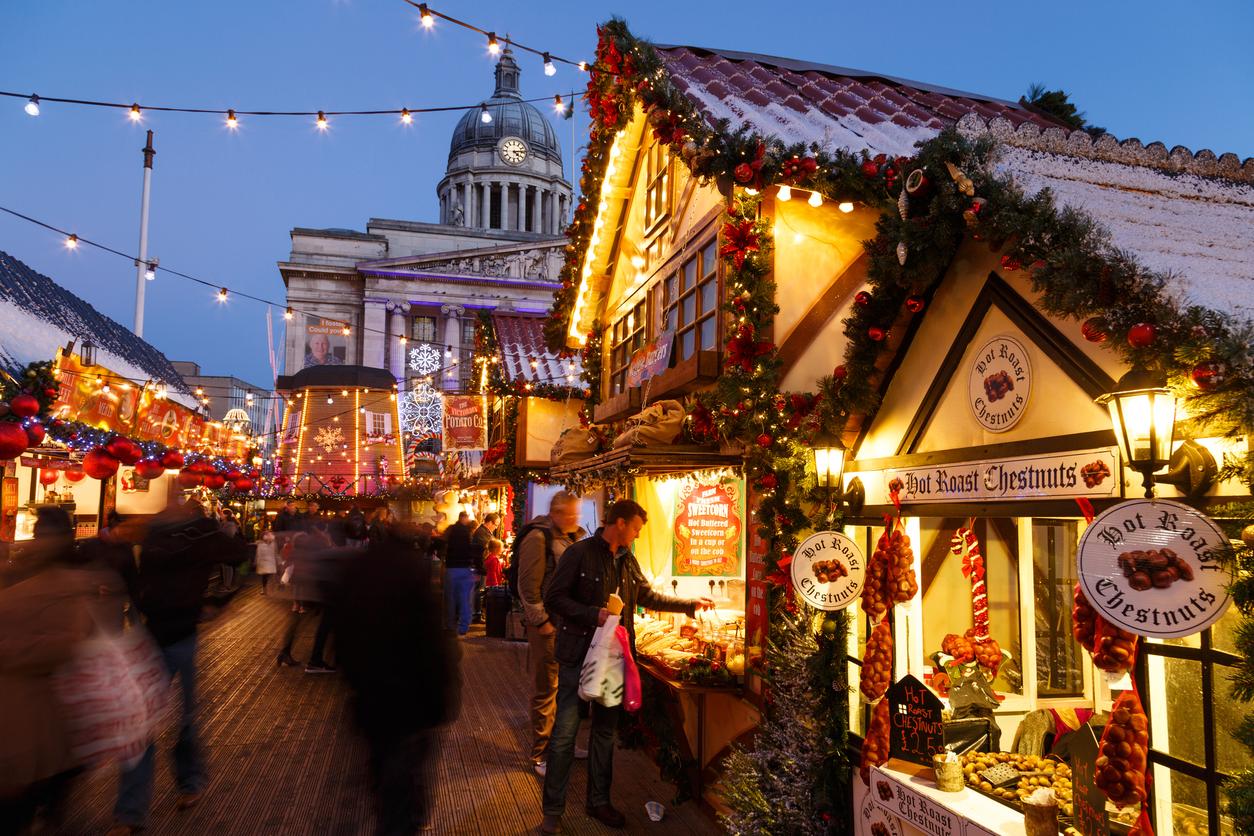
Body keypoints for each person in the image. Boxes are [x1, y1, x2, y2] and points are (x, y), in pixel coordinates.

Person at [538, 500, 712, 833]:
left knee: (604, 733)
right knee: (564, 734)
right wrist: (594, 614)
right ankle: (553, 811)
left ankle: (599, 802)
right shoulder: (579, 554)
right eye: (635, 528)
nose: (636, 535)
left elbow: (647, 596)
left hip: (614, 658)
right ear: (619, 523)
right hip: (578, 655)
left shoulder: (627, 560)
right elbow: (554, 598)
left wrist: (690, 605)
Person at [110, 499, 246, 835]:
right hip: (151, 632)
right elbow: (129, 570)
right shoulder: (153, 533)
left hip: (178, 633)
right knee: (144, 724)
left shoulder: (200, 535)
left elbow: (241, 556)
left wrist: (219, 599)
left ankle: (188, 782)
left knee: (182, 720)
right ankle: (132, 813)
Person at [0, 508, 126, 834]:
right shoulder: (78, 579)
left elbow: (68, 642)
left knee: (25, 797)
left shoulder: (36, 577)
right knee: (40, 792)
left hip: (35, 714)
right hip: (49, 714)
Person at [332, 523, 461, 834]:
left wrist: (354, 677)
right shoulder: (414, 572)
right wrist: (443, 692)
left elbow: (341, 633)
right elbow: (431, 639)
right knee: (405, 776)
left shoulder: (356, 569)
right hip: (410, 697)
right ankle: (401, 821)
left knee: (383, 765)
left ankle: (390, 812)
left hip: (370, 693)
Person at [515, 491, 587, 775]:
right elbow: (527, 587)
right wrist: (541, 621)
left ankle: (564, 744)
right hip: (547, 625)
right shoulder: (538, 538)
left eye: (577, 513)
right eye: (570, 514)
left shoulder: (572, 537)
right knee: (546, 689)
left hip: (570, 624)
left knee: (567, 687)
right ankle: (540, 753)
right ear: (556, 513)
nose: (575, 518)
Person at [275, 532, 341, 674]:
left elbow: (288, 567)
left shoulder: (298, 551)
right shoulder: (318, 551)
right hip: (312, 591)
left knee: (299, 622)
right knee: (323, 623)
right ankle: (316, 660)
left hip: (303, 590)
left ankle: (287, 652)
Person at [441, 512, 479, 636]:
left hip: (451, 568)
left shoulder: (450, 530)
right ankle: (463, 627)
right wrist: (478, 568)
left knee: (450, 599)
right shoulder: (468, 532)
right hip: (465, 568)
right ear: (464, 518)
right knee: (465, 599)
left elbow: (442, 545)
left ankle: (450, 625)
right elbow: (472, 550)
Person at [470, 513, 499, 624]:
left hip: (481, 565)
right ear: (490, 522)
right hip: (480, 566)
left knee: (479, 590)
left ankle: (477, 613)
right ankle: (476, 614)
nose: (496, 527)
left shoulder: (484, 532)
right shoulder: (482, 532)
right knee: (479, 591)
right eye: (495, 524)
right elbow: (487, 547)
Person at [254, 524, 278, 595]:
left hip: (271, 563)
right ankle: (265, 589)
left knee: (271, 577)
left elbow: (275, 553)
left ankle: (269, 589)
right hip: (264, 563)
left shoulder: (273, 544)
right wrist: (257, 561)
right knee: (265, 577)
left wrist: (278, 561)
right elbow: (259, 554)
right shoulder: (261, 544)